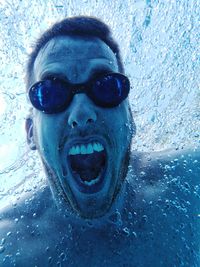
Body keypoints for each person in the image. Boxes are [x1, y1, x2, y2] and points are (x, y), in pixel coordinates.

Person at [0, 16, 199, 267]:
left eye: (106, 87)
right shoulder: (8, 248)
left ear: (131, 120)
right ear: (31, 133)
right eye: (50, 92)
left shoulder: (189, 185)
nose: (82, 113)